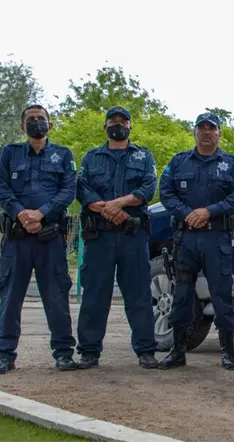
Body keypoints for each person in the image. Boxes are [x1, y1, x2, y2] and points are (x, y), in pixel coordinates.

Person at [0, 104, 78, 374]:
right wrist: (21, 214)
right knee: (10, 296)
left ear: (50, 125)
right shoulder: (10, 153)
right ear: (22, 126)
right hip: (17, 239)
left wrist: (40, 213)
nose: (37, 122)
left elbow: (68, 191)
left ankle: (63, 353)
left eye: (41, 119)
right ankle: (4, 355)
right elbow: (2, 189)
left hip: (49, 238)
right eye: (31, 119)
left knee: (56, 296)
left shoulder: (63, 155)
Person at [157, 112, 234, 370]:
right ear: (194, 132)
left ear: (219, 133)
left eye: (212, 128)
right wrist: (188, 214)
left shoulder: (230, 163)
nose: (206, 132)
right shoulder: (178, 162)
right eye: (202, 128)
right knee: (182, 295)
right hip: (186, 238)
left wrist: (209, 211)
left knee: (221, 295)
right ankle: (177, 351)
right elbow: (166, 194)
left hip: (216, 238)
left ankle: (228, 351)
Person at [75, 106, 159, 370]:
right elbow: (82, 189)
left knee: (139, 296)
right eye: (113, 121)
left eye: (123, 121)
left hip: (132, 236)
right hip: (99, 237)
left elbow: (148, 187)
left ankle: (146, 351)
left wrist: (119, 204)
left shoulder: (144, 156)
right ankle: (89, 351)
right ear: (106, 126)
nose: (118, 124)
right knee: (94, 296)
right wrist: (107, 209)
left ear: (130, 126)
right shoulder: (91, 157)